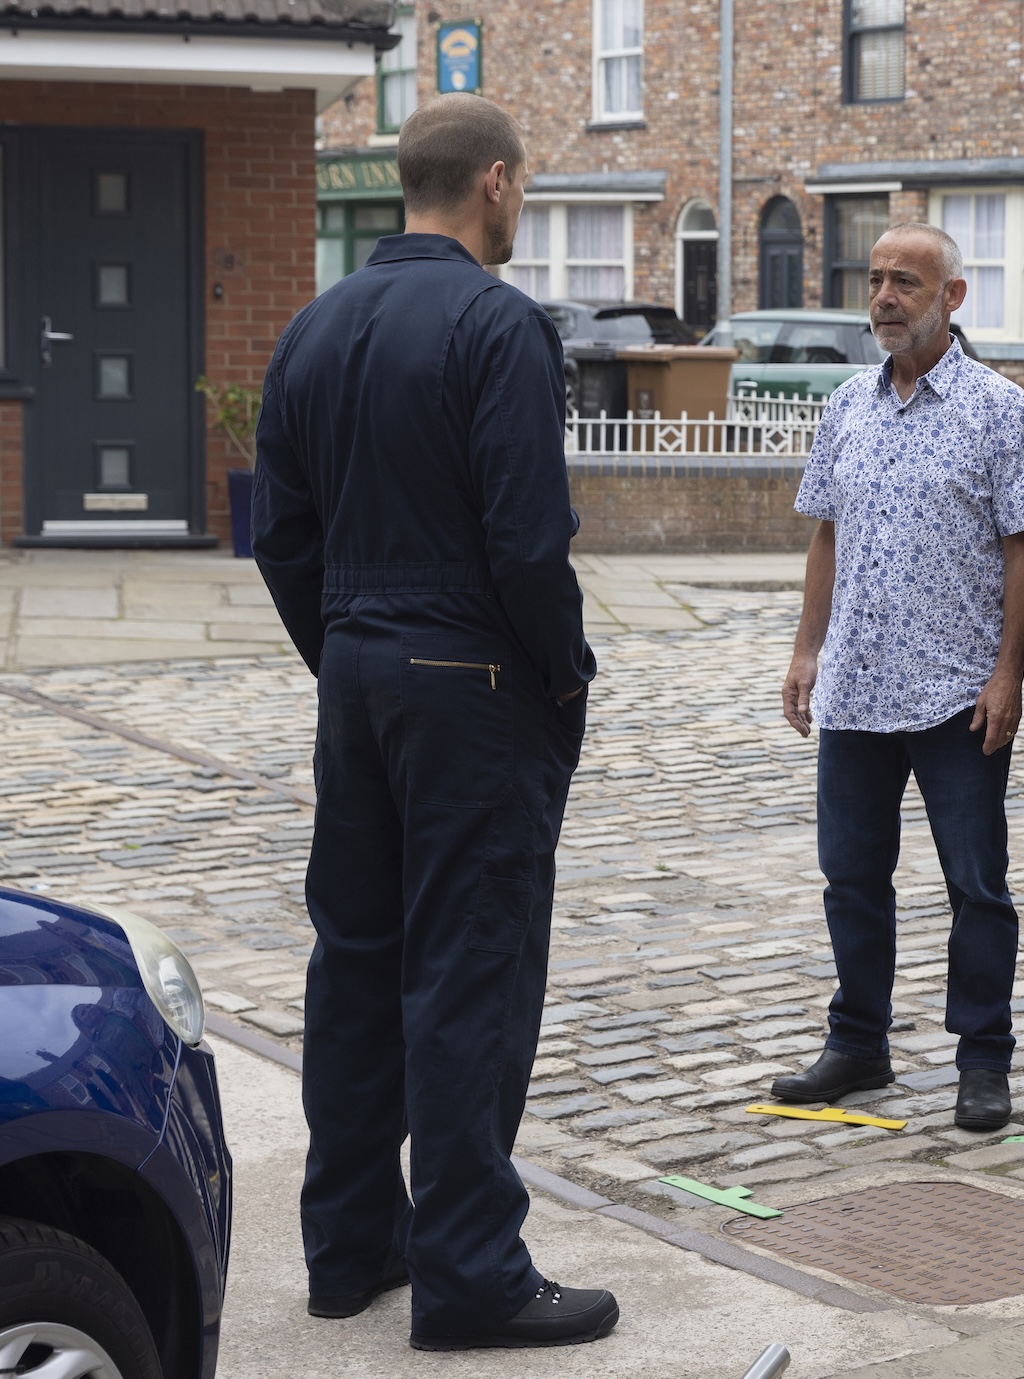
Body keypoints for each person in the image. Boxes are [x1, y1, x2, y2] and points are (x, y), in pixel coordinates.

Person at [252, 94, 615, 1350]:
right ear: (497, 185)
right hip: (472, 683)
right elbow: (528, 541)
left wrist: (344, 653)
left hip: (355, 673)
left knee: (354, 962)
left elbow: (279, 533)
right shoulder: (497, 324)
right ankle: (469, 1270)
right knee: (470, 971)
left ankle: (350, 1248)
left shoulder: (312, 325)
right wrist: (564, 674)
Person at [774, 223, 1024, 1133]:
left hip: (957, 690)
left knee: (977, 883)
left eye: (906, 281)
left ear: (952, 298)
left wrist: (1009, 672)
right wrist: (807, 649)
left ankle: (982, 1059)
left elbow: (1023, 549)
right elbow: (827, 531)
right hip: (855, 683)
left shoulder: (999, 409)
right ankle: (858, 1043)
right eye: (876, 278)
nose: (884, 295)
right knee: (850, 876)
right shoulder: (848, 403)